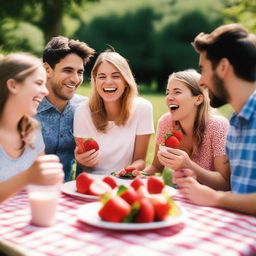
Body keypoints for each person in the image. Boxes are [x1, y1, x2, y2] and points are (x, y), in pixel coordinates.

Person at [175, 23, 256, 215]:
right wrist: (195, 178)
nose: (201, 81)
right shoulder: (236, 122)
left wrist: (214, 198)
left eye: (203, 70)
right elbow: (237, 191)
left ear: (223, 66)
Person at [144, 69, 230, 190]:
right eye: (167, 93)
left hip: (209, 200)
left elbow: (225, 183)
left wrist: (189, 165)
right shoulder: (166, 122)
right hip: (179, 196)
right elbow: (156, 167)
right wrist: (139, 175)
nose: (169, 97)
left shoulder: (218, 127)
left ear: (198, 99)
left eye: (177, 92)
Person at [73, 49, 154, 175]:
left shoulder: (143, 109)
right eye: (102, 77)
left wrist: (126, 172)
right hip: (93, 183)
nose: (109, 82)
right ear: (95, 80)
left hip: (125, 180)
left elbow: (140, 160)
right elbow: (85, 168)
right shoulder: (82, 113)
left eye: (116, 76)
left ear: (126, 81)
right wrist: (83, 161)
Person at [0, 53, 64, 203]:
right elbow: (31, 176)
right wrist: (26, 177)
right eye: (38, 83)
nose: (46, 91)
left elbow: (42, 182)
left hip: (24, 218)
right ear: (13, 85)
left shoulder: (31, 130)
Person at [36, 36, 95, 181]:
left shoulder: (85, 109)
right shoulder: (25, 108)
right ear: (47, 69)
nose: (75, 79)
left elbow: (87, 170)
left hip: (66, 194)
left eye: (79, 72)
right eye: (68, 70)